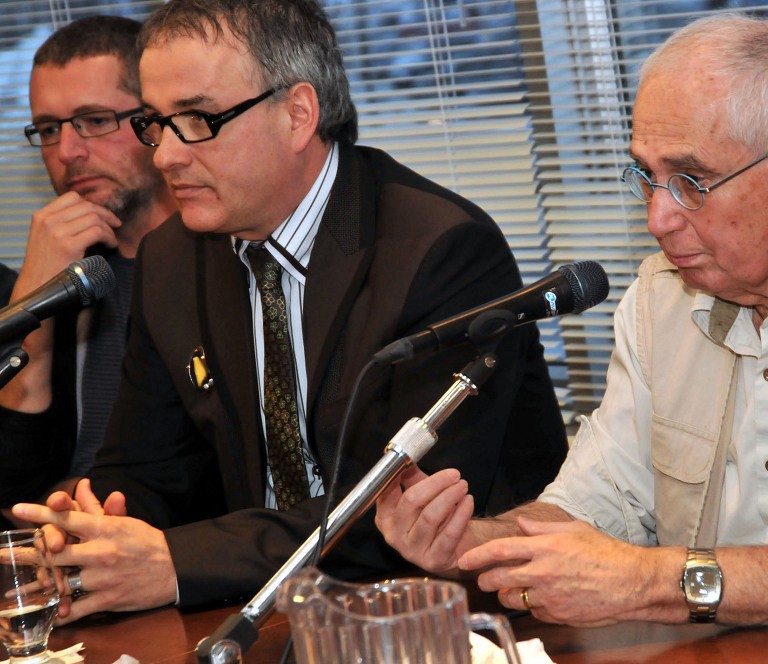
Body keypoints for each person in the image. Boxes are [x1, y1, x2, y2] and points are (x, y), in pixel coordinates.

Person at [374, 13, 768, 630]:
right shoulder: (660, 297)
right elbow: (596, 508)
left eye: (691, 181)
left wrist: (654, 583)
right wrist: (472, 544)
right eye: (647, 177)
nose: (658, 219)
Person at [11, 0, 566, 622]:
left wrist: (176, 562)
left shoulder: (439, 249)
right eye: (155, 122)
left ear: (298, 114)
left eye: (196, 118)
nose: (165, 155)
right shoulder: (174, 257)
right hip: (266, 614)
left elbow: (391, 510)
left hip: (448, 616)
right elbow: (145, 467)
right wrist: (93, 530)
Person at [0, 16, 176, 511]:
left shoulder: (221, 262)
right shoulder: (65, 269)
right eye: (49, 129)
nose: (68, 152)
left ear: (154, 122)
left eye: (96, 121)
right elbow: (11, 486)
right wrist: (34, 297)